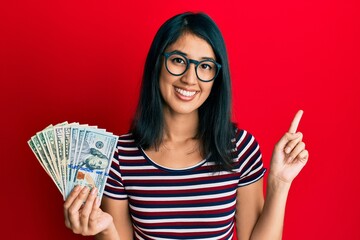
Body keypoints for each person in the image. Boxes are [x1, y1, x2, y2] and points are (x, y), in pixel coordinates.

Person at [64, 12, 308, 240]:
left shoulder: (240, 148)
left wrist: (279, 182)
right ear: (158, 63)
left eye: (205, 66)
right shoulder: (118, 156)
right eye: (179, 60)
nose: (190, 79)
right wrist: (105, 230)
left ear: (216, 77)